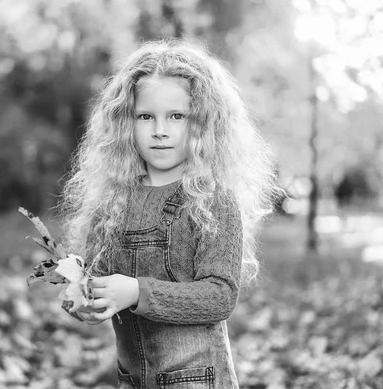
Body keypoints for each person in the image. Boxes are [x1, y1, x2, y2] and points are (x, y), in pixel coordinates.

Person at [56, 39, 278, 389]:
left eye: (177, 116)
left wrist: (137, 292)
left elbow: (219, 296)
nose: (160, 130)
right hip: (132, 378)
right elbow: (97, 276)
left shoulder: (212, 200)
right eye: (146, 116)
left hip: (196, 380)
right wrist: (86, 299)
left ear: (203, 123)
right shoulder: (114, 201)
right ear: (126, 123)